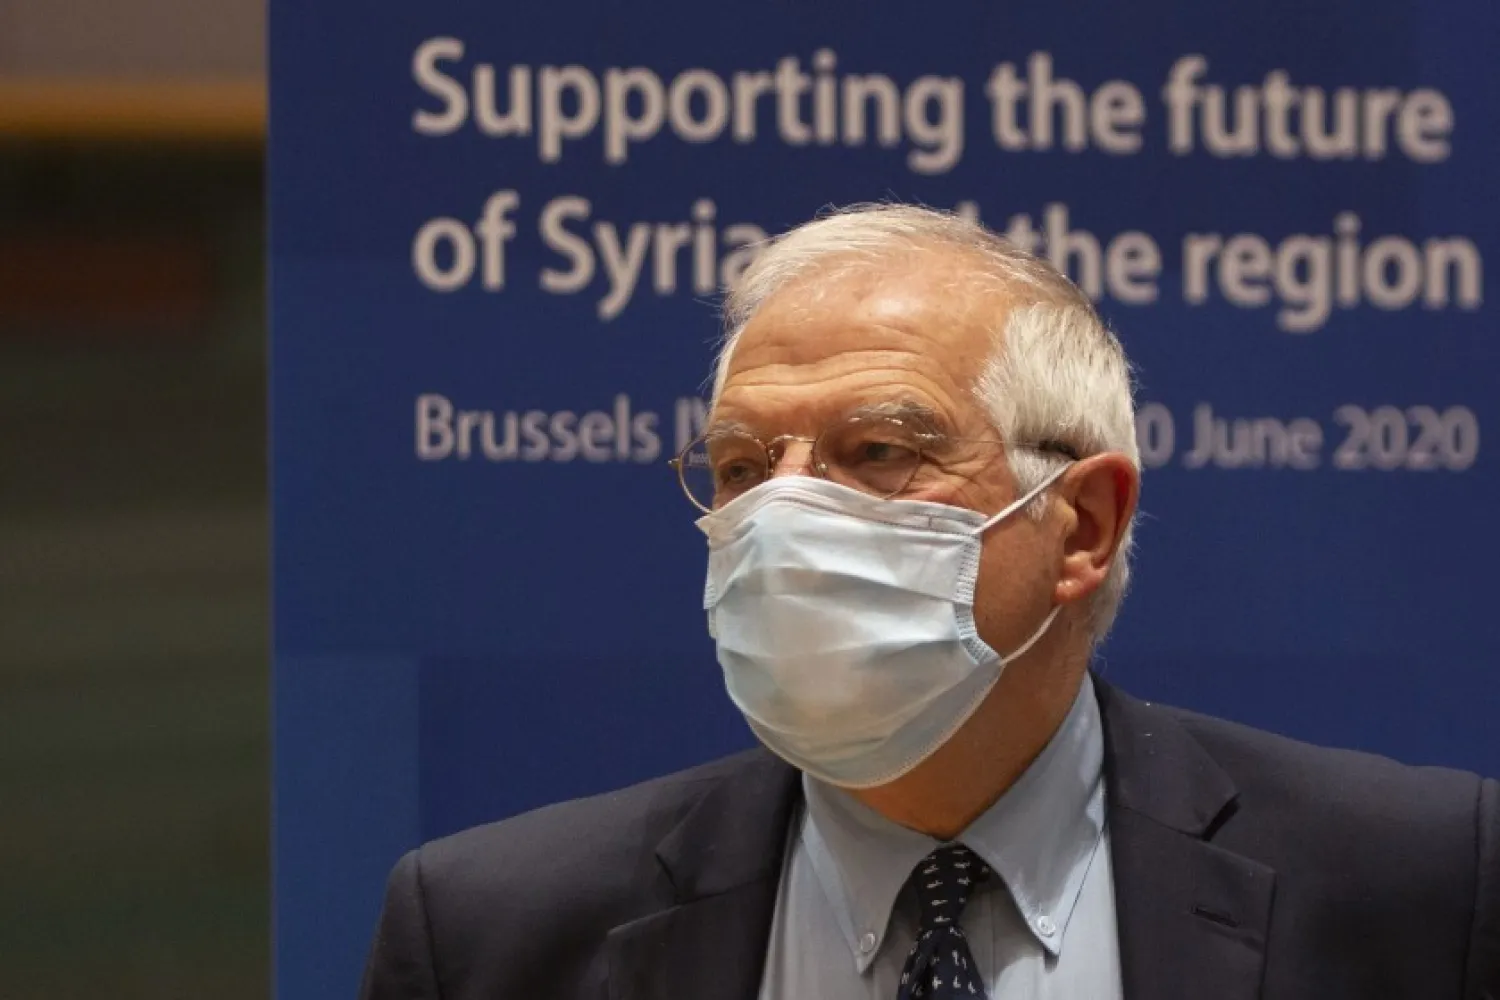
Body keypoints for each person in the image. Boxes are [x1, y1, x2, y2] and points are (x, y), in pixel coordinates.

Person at [359, 205, 1499, 999]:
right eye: (744, 466)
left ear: (1083, 525)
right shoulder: (490, 936)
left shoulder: (1421, 888)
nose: (784, 514)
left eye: (878, 451)